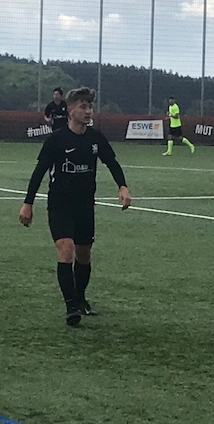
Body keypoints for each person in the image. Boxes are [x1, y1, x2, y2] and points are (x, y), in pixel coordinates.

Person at [19, 87, 131, 327]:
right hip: (59, 204)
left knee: (84, 253)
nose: (88, 111)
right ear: (71, 111)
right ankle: (71, 306)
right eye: (83, 107)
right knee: (66, 248)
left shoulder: (95, 138)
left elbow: (112, 163)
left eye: (90, 107)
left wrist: (122, 186)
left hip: (85, 205)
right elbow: (39, 172)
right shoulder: (56, 140)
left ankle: (80, 298)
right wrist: (28, 203)